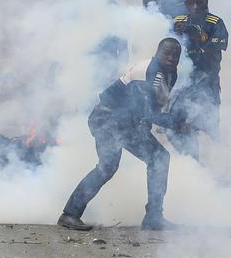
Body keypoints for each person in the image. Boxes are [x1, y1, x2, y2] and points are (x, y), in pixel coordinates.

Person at [59, 38, 182, 232]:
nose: (171, 57)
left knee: (159, 158)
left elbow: (150, 108)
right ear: (157, 52)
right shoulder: (147, 72)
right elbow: (146, 111)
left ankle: (154, 217)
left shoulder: (170, 73)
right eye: (167, 52)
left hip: (126, 122)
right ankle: (69, 214)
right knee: (108, 166)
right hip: (107, 120)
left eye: (176, 54)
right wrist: (175, 124)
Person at [168, 0, 229, 157]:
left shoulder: (215, 23)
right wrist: (177, 34)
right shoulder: (178, 22)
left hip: (207, 84)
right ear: (185, 3)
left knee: (208, 128)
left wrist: (197, 37)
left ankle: (212, 170)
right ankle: (190, 167)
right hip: (182, 84)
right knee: (180, 128)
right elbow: (166, 48)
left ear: (206, 2)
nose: (195, 7)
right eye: (191, 2)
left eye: (199, 2)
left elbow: (214, 56)